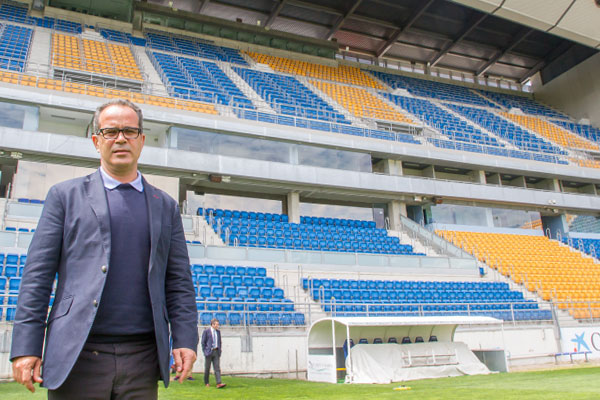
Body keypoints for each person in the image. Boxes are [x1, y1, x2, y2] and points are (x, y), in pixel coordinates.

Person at [10, 99, 199, 399]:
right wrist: (25, 347)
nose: (121, 138)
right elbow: (37, 278)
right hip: (77, 356)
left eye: (129, 131)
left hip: (142, 360)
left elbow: (179, 283)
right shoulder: (64, 197)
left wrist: (186, 339)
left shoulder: (165, 206)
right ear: (96, 141)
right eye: (111, 131)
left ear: (141, 140)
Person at [201, 318, 226, 388]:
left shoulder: (218, 332)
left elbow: (219, 342)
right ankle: (206, 382)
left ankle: (219, 383)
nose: (218, 325)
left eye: (218, 324)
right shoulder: (206, 331)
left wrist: (219, 350)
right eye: (217, 324)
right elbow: (203, 342)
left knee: (217, 368)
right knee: (207, 368)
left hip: (216, 351)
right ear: (212, 324)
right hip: (209, 352)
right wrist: (205, 351)